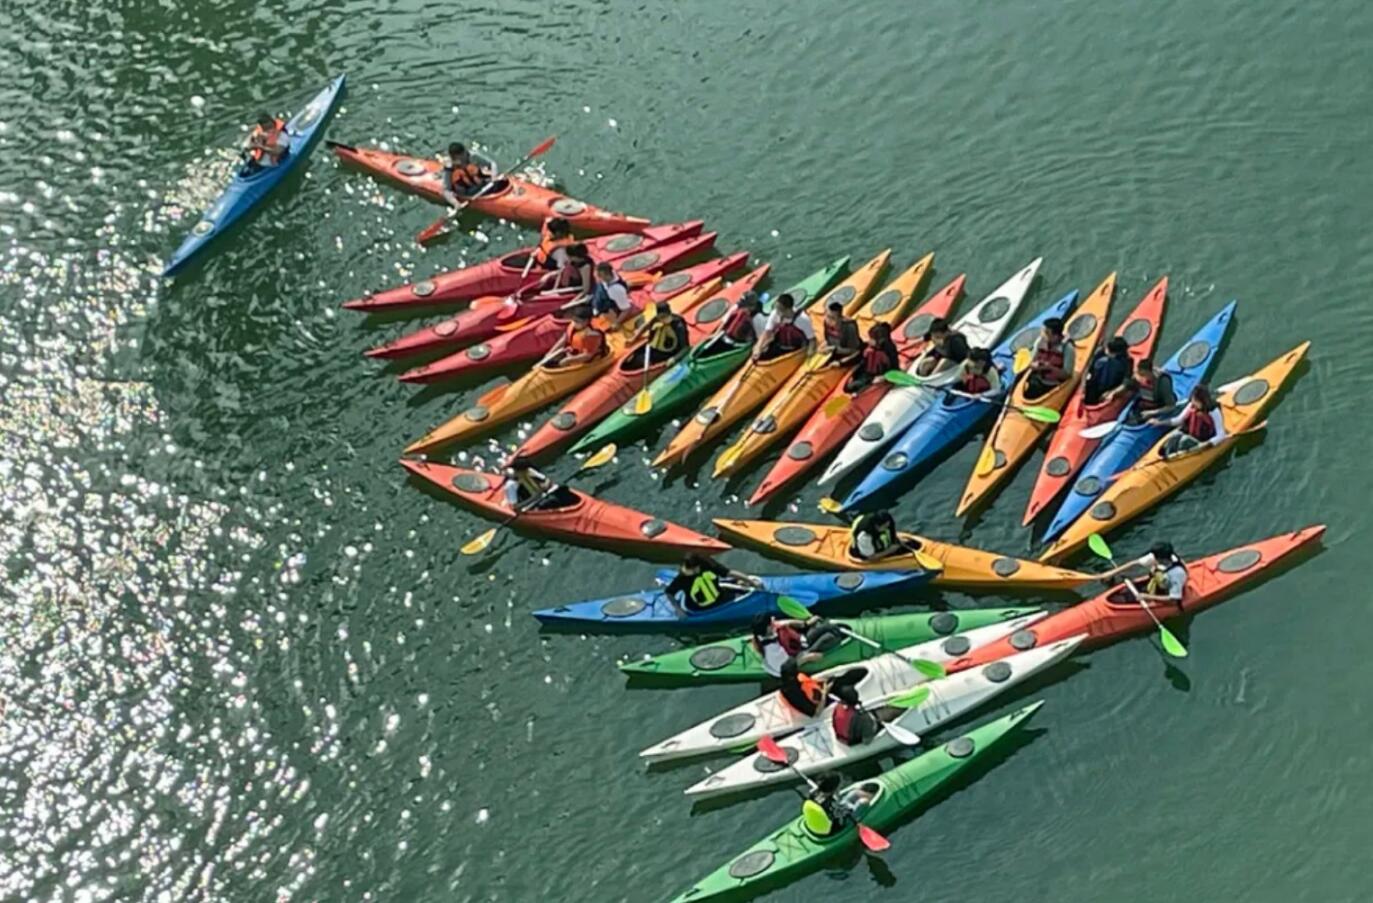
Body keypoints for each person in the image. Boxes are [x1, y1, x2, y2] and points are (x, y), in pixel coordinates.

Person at [749, 613, 848, 677]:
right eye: (771, 622)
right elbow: (788, 667)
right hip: (798, 657)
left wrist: (806, 623)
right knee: (830, 638)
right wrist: (808, 658)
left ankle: (835, 630)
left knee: (828, 626)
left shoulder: (772, 627)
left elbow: (789, 623)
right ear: (768, 628)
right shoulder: (773, 652)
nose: (774, 621)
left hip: (801, 642)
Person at [661, 554, 762, 615]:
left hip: (720, 594)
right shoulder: (681, 579)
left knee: (742, 588)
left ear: (697, 567)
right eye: (684, 569)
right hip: (700, 607)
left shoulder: (708, 564)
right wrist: (678, 610)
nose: (685, 572)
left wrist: (751, 582)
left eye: (689, 570)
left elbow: (728, 572)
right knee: (743, 600)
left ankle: (741, 584)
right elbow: (669, 593)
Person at [1098, 541, 1189, 608]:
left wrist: (1146, 596)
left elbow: (1174, 599)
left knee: (1121, 599)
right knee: (1122, 593)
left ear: (1160, 558)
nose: (1151, 557)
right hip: (1155, 586)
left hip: (1166, 595)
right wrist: (1112, 572)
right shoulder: (1162, 557)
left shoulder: (1176, 574)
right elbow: (1135, 563)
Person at [1152, 384, 1228, 457]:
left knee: (1184, 441)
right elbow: (1178, 420)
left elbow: (1221, 435)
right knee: (1171, 440)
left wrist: (1207, 444)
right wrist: (1159, 422)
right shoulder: (1192, 405)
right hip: (1189, 434)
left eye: (1196, 400)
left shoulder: (1213, 411)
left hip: (1202, 441)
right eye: (1193, 399)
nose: (1193, 402)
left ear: (1203, 401)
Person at [801, 772, 878, 837]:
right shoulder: (832, 804)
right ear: (834, 789)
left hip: (820, 820)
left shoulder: (813, 794)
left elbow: (838, 806)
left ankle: (863, 794)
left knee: (855, 793)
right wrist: (852, 806)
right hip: (833, 827)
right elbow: (845, 813)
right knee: (863, 801)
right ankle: (873, 798)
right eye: (839, 785)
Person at [1023, 317, 1076, 398]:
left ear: (1056, 336)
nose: (1043, 335)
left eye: (1047, 333)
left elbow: (1067, 374)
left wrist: (1049, 367)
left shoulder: (1068, 348)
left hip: (1053, 385)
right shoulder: (1040, 341)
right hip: (1037, 379)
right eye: (1044, 331)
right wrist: (1034, 365)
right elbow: (1031, 361)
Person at [702, 291, 765, 356]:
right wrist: (716, 333)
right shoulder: (736, 307)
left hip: (739, 345)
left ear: (752, 306)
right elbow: (724, 320)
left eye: (744, 306)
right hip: (725, 337)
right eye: (741, 305)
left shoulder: (757, 318)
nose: (741, 308)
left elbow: (761, 337)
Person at [502, 456, 577, 511]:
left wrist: (545, 485)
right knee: (551, 502)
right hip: (531, 506)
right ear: (518, 471)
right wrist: (533, 498)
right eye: (524, 471)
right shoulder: (511, 485)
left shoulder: (528, 471)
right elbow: (514, 507)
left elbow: (546, 480)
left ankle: (575, 506)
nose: (527, 471)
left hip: (543, 496)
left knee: (563, 488)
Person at [755, 293, 815, 361]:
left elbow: (812, 339)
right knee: (761, 356)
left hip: (796, 348)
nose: (777, 312)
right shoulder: (775, 313)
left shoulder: (803, 319)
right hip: (780, 345)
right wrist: (758, 347)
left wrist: (810, 351)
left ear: (788, 309)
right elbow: (767, 332)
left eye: (780, 310)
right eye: (777, 308)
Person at [843, 322, 900, 393]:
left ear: (880, 341)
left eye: (871, 339)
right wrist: (842, 363)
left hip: (876, 377)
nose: (869, 341)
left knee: (854, 388)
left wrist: (884, 377)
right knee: (848, 388)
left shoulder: (889, 351)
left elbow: (895, 369)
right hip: (866, 374)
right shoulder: (869, 347)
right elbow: (859, 358)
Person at [543, 309, 607, 368]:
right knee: (550, 360)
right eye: (574, 320)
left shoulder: (592, 335)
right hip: (573, 353)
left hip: (587, 360)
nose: (575, 323)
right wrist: (550, 353)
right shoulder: (574, 325)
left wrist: (568, 360)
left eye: (578, 321)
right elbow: (564, 338)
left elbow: (588, 355)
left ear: (586, 321)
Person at [1081, 336, 1132, 406]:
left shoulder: (1126, 362)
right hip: (1094, 386)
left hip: (1110, 388)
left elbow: (1125, 383)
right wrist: (1084, 386)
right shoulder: (1100, 354)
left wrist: (1112, 393)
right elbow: (1088, 369)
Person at [1124, 356, 1176, 423]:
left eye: (1143, 374)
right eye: (1140, 374)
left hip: (1158, 407)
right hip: (1144, 405)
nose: (1142, 378)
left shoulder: (1163, 382)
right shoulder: (1138, 377)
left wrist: (1151, 413)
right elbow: (1128, 384)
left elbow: (1171, 406)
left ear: (1150, 372)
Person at [440, 142, 493, 207]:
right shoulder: (449, 168)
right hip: (467, 192)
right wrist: (456, 203)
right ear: (453, 158)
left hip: (482, 184)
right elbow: (446, 191)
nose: (463, 160)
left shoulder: (472, 156)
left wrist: (494, 177)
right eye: (460, 159)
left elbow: (491, 164)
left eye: (464, 156)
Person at [583, 261, 633, 328]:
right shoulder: (607, 278)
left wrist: (616, 323)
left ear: (605, 275)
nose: (596, 278)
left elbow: (626, 309)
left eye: (598, 276)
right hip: (596, 303)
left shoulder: (616, 290)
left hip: (605, 313)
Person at [830, 682, 880, 746]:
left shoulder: (838, 708)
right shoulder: (863, 717)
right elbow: (867, 741)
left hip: (841, 737)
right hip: (852, 741)